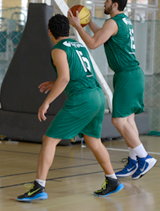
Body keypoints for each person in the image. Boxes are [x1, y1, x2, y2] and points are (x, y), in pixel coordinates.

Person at [17, 14, 123, 202]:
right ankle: (112, 180)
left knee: (49, 140)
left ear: (50, 32)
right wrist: (55, 82)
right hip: (98, 96)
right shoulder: (79, 45)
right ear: (67, 30)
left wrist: (46, 102)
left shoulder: (57, 49)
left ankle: (39, 186)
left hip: (82, 99)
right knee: (93, 141)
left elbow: (65, 78)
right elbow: (74, 74)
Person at [68, 0, 156, 180]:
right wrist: (88, 21)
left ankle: (144, 157)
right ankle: (134, 161)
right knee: (128, 120)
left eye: (107, 0)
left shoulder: (112, 22)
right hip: (131, 75)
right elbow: (101, 34)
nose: (104, 3)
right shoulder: (122, 20)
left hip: (128, 76)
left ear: (115, 4)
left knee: (117, 120)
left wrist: (78, 26)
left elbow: (92, 43)